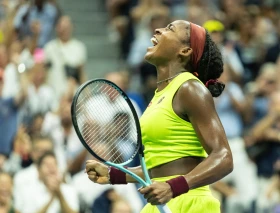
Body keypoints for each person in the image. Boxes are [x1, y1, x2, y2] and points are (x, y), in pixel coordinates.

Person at [85, 20, 233, 213]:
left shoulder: (190, 88)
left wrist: (173, 187)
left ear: (185, 51)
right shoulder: (160, 94)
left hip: (189, 202)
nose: (158, 30)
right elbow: (161, 167)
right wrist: (114, 175)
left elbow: (224, 157)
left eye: (170, 29)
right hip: (163, 200)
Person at [14, 151, 79, 213]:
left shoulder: (69, 190)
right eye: (47, 165)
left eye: (54, 164)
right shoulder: (28, 191)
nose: (51, 168)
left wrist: (59, 194)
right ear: (38, 170)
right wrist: (51, 200)